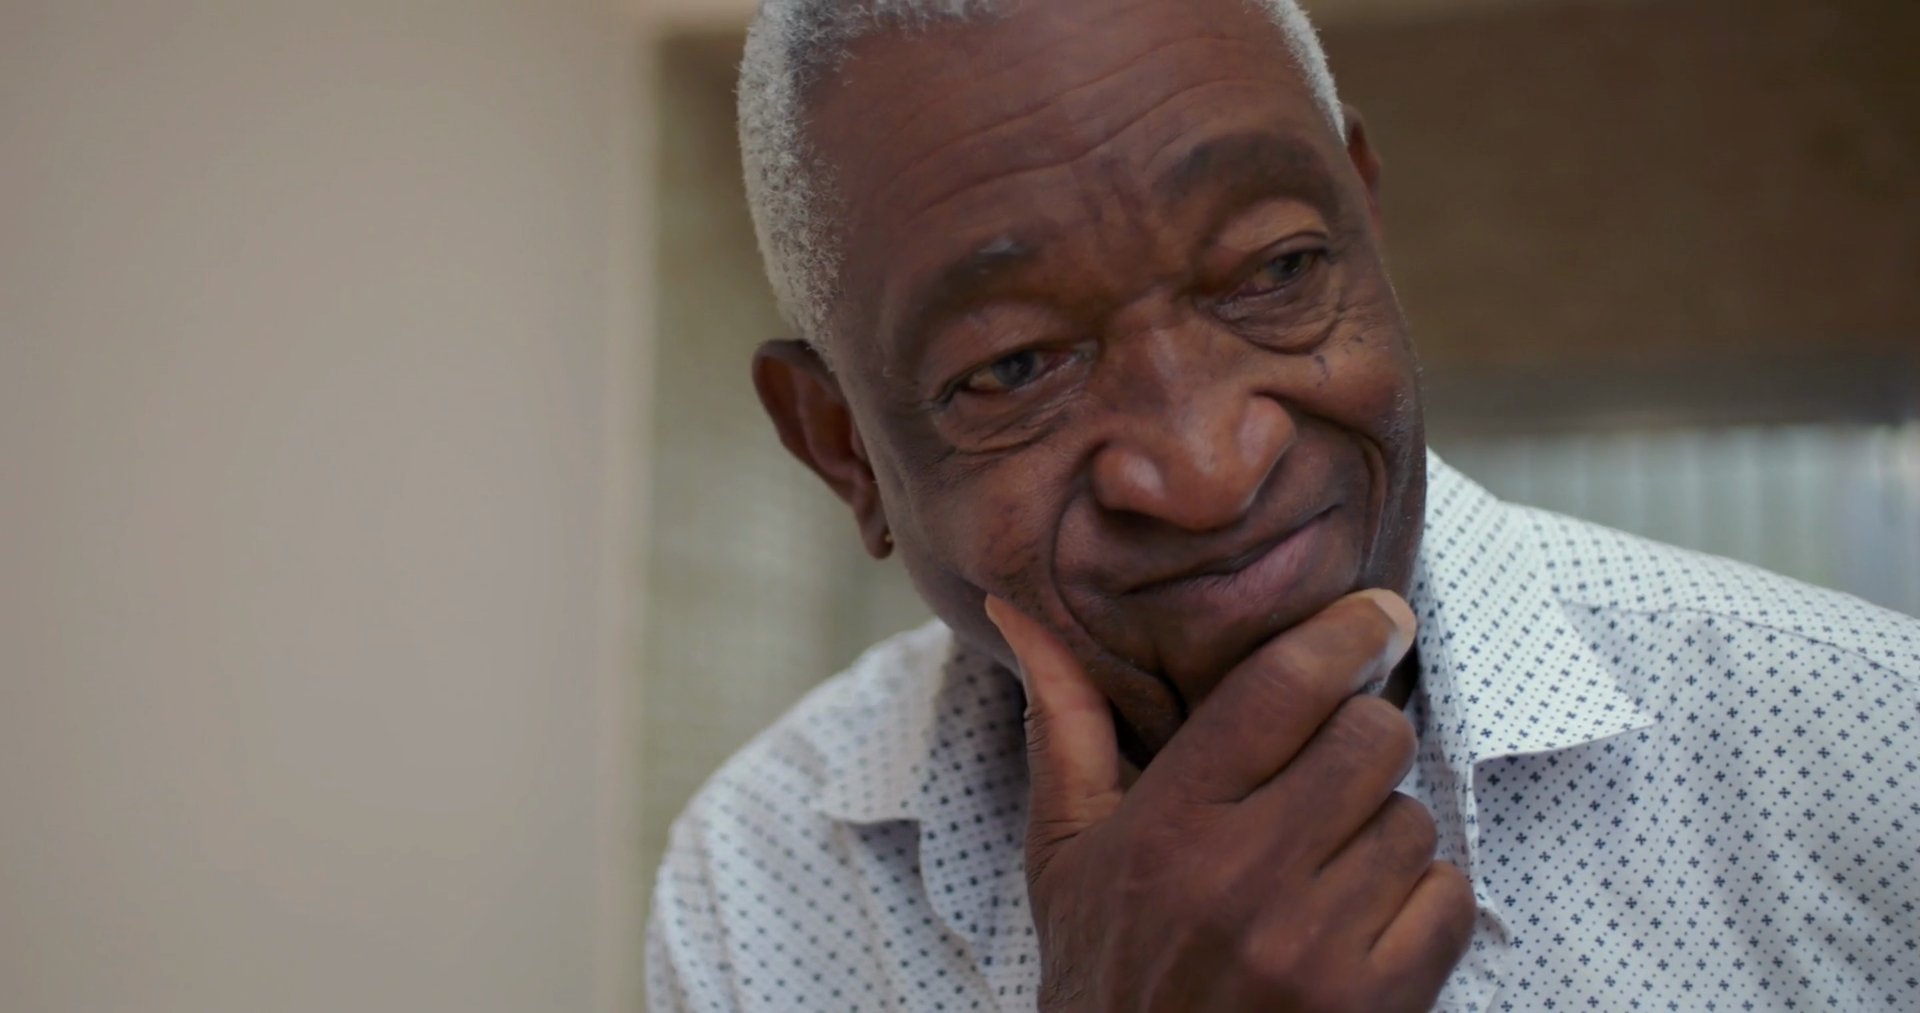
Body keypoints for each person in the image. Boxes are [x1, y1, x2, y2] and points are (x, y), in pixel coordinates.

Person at [645, 0, 1920, 1009]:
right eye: (1017, 365)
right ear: (842, 448)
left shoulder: (1867, 744)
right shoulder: (768, 877)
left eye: (1276, 267)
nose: (1210, 468)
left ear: (1364, 216)